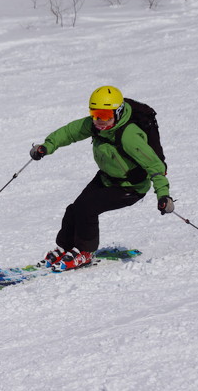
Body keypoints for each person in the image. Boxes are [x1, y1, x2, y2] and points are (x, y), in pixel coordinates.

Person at [29, 85, 175, 271]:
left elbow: (155, 166)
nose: (98, 120)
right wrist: (46, 147)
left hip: (131, 187)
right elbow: (69, 132)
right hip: (107, 178)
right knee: (74, 210)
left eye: (105, 116)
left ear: (119, 112)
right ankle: (65, 248)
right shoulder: (96, 125)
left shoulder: (129, 136)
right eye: (95, 114)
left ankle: (85, 252)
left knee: (87, 209)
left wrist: (163, 195)